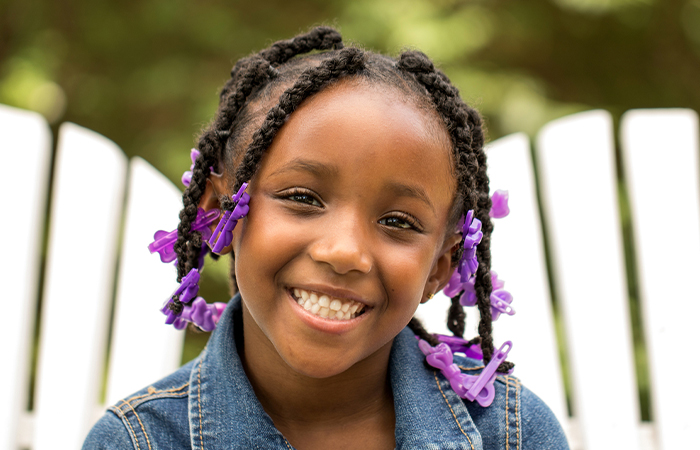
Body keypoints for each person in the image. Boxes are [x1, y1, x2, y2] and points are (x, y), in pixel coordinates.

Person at [83, 27, 568, 450]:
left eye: (399, 222)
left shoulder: (514, 435)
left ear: (440, 268)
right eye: (302, 197)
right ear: (218, 215)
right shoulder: (137, 441)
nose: (344, 252)